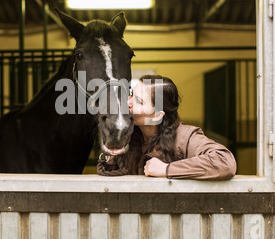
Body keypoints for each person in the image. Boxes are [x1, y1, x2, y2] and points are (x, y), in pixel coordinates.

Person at [97, 75, 237, 180]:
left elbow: (224, 162)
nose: (128, 102)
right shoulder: (128, 134)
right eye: (131, 94)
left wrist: (167, 169)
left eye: (138, 101)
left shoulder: (183, 137)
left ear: (157, 115)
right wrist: (111, 154)